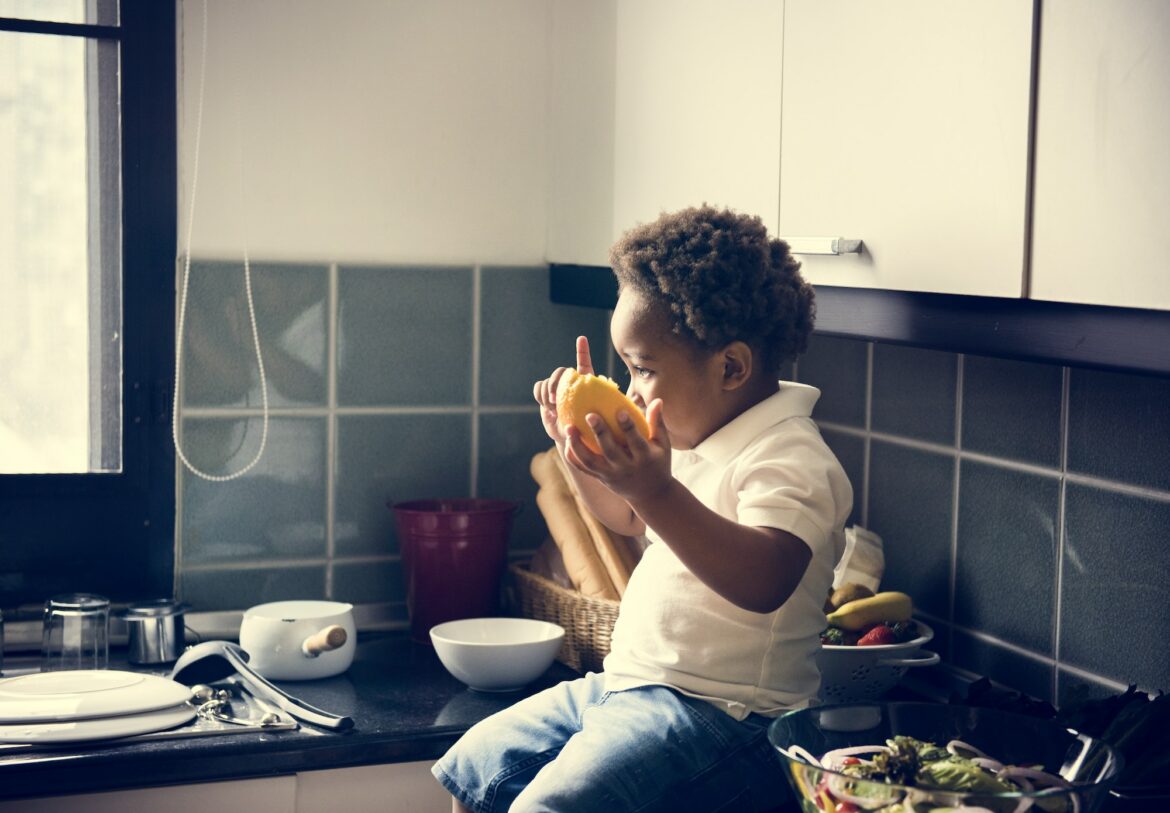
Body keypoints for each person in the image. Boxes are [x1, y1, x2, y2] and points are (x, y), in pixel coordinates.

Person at [432, 205, 853, 813]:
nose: (628, 391)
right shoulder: (691, 435)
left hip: (728, 717)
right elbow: (629, 519)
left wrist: (654, 489)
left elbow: (766, 580)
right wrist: (580, 457)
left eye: (642, 369)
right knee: (475, 764)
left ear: (731, 366)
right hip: (624, 685)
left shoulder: (790, 457)